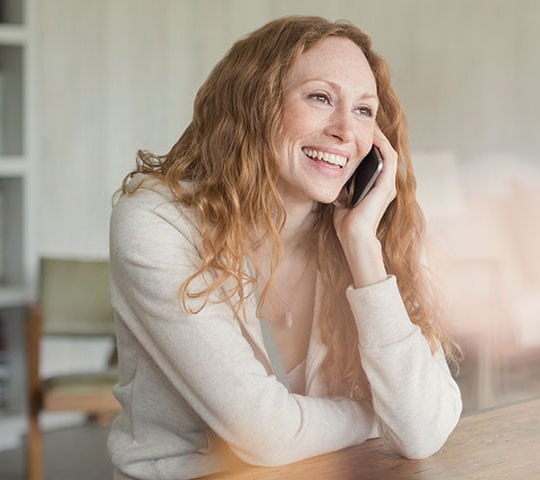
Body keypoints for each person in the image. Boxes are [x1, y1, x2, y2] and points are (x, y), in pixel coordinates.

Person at [107, 15, 462, 480]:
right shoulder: (157, 221)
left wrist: (363, 249)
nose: (344, 131)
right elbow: (264, 436)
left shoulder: (371, 230)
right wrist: (375, 415)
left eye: (364, 111)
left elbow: (420, 431)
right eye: (320, 97)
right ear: (256, 104)